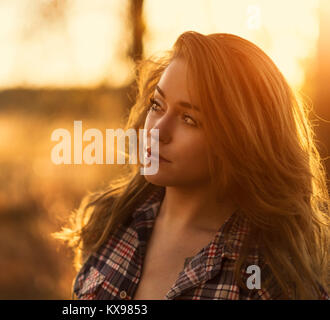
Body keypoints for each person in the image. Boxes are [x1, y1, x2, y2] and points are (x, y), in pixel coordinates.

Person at [52, 31, 329, 300]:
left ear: (241, 139)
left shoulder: (267, 278)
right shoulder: (111, 220)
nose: (157, 131)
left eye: (189, 119)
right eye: (157, 105)